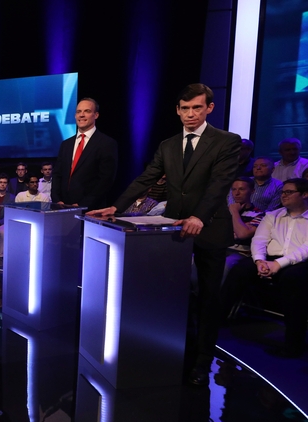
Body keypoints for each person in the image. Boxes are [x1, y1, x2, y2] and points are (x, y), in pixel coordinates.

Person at [88, 84, 241, 386]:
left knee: (208, 301)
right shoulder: (168, 144)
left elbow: (219, 185)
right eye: (185, 109)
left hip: (209, 228)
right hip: (173, 230)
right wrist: (115, 207)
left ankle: (202, 363)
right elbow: (146, 177)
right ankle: (173, 352)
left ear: (209, 108)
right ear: (177, 110)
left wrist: (200, 216)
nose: (190, 114)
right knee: (171, 296)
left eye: (197, 108)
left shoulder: (227, 141)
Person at [222, 178, 308, 357]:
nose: (283, 195)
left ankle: (293, 344)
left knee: (294, 279)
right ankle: (217, 320)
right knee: (241, 269)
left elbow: (305, 250)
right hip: (270, 258)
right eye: (283, 192)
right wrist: (259, 261)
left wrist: (278, 264)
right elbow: (259, 240)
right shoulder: (273, 215)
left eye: (289, 192)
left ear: (305, 194)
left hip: (300, 262)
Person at [51, 98, 118, 210]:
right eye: (78, 112)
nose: (81, 115)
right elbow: (57, 174)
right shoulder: (66, 144)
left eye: (87, 111)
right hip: (62, 208)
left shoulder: (106, 143)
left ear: (96, 115)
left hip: (91, 210)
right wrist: (56, 199)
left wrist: (84, 204)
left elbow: (106, 180)